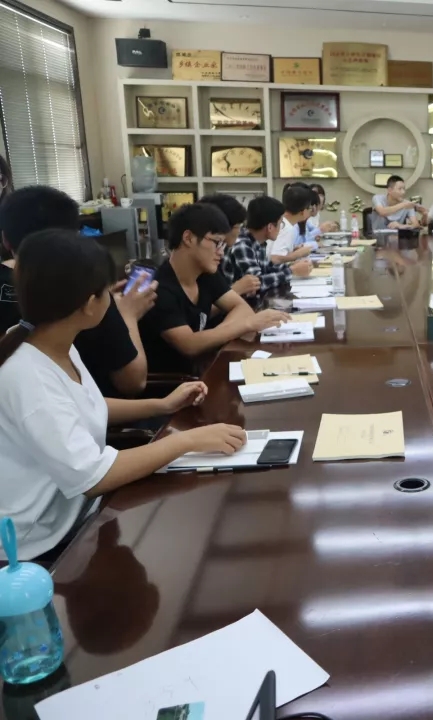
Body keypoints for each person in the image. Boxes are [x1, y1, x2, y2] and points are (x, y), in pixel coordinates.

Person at [0, 228, 246, 560]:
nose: (114, 299)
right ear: (90, 305)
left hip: (80, 514)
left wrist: (161, 404)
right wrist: (187, 441)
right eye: (107, 291)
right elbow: (93, 476)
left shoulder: (50, 341)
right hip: (40, 543)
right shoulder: (26, 373)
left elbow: (80, 405)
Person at [0, 185, 154, 397]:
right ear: (74, 238)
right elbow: (133, 381)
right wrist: (128, 315)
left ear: (5, 239)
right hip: (99, 413)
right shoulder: (84, 293)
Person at [139, 203, 289, 374]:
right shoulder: (159, 288)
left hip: (206, 368)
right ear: (188, 238)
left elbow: (242, 308)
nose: (221, 253)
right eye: (217, 243)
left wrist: (215, 336)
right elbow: (189, 344)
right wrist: (246, 325)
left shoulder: (206, 274)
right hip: (176, 383)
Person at [227, 196, 312, 309]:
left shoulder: (258, 242)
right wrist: (292, 271)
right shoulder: (242, 244)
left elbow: (267, 269)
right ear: (270, 227)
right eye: (280, 224)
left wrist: (292, 266)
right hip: (239, 309)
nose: (280, 228)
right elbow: (256, 284)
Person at [199, 193, 261, 302]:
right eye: (239, 226)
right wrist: (236, 290)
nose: (240, 232)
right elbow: (200, 310)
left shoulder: (219, 253)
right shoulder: (203, 262)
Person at [268, 184, 316, 264]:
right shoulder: (286, 227)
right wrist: (298, 254)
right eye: (309, 208)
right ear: (303, 211)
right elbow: (275, 258)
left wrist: (293, 250)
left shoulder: (282, 221)